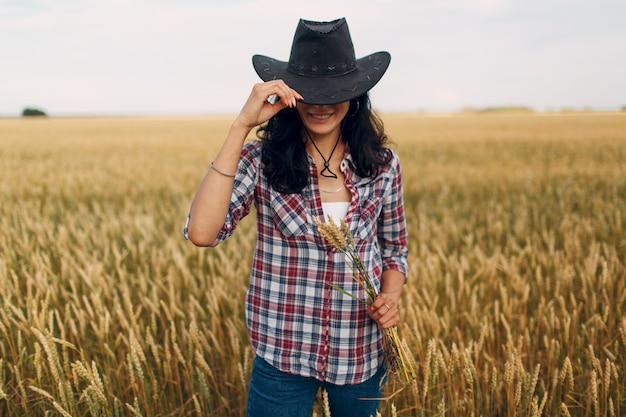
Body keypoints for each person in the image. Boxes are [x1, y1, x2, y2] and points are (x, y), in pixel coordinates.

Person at [184, 17, 408, 417]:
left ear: (356, 97)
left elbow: (394, 249)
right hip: (282, 355)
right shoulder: (261, 161)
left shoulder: (383, 164)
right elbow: (202, 232)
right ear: (289, 96)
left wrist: (390, 296)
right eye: (310, 92)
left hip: (360, 351)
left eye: (334, 92)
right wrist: (242, 125)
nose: (320, 103)